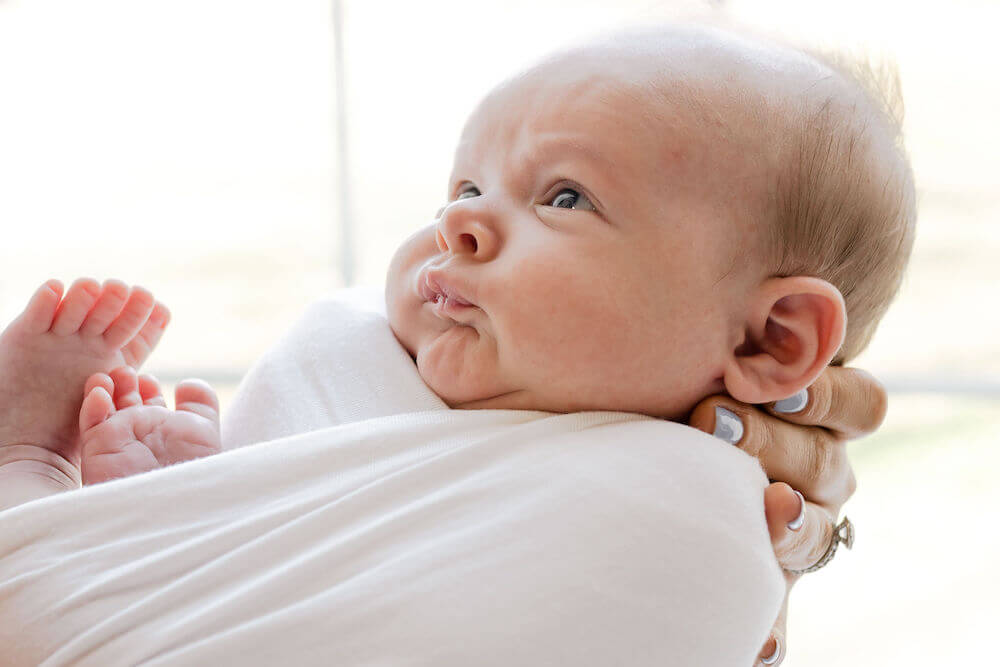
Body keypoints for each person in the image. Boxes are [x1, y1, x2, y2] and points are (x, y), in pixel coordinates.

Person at [0, 19, 909, 666]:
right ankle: (35, 467)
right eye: (465, 184)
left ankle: (32, 472)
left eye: (564, 197)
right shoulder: (362, 357)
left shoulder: (689, 513)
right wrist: (201, 490)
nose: (461, 222)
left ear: (772, 336)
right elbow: (288, 548)